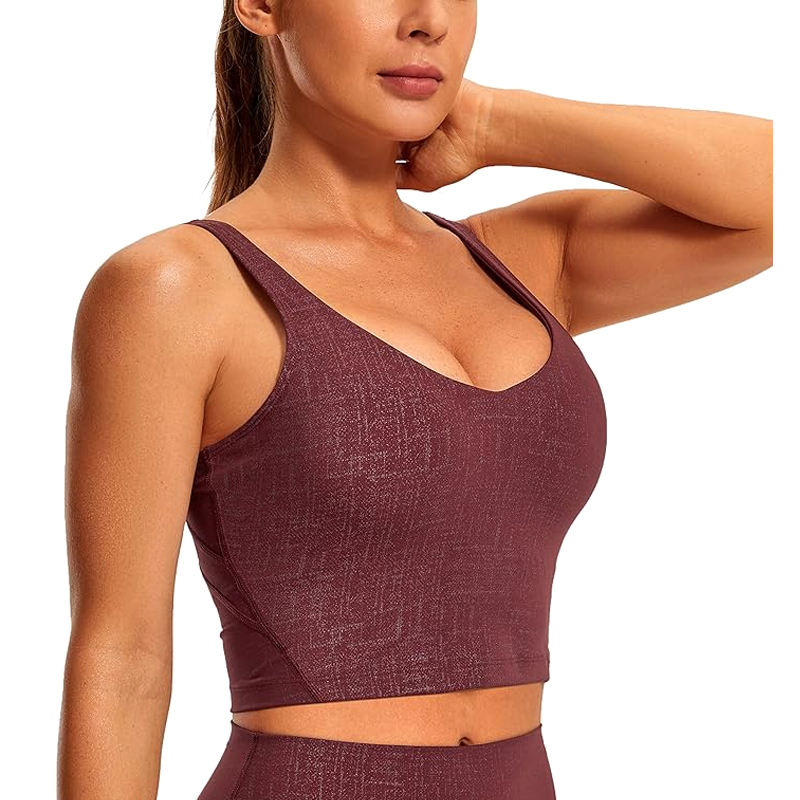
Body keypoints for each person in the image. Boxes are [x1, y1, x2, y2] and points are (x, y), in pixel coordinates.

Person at [57, 1, 773, 798]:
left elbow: (775, 197)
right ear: (260, 6)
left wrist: (498, 122)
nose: (428, 19)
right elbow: (122, 658)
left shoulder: (520, 263)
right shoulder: (180, 289)